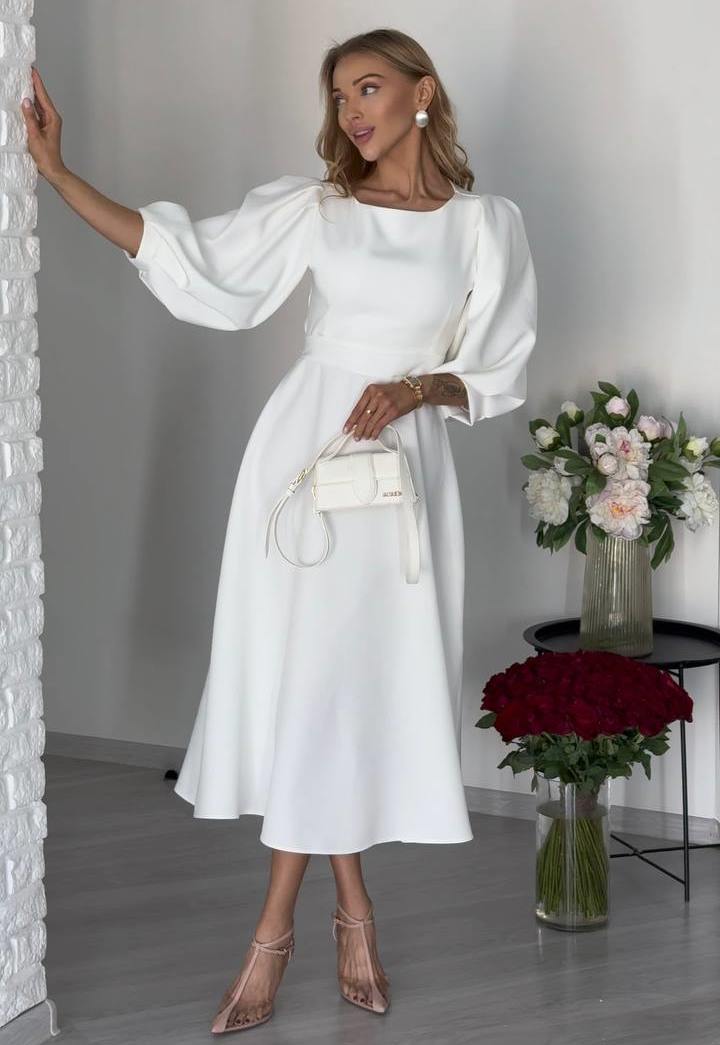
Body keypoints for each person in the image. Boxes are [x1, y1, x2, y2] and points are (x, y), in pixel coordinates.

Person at [24, 26, 537, 1035]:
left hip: (400, 475)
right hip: (304, 460)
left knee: (345, 688)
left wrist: (418, 387)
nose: (352, 110)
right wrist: (60, 175)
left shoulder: (486, 224)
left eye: (370, 87)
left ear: (423, 93)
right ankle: (302, 926)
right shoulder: (319, 209)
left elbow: (502, 364)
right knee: (313, 683)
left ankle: (325, 920)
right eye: (340, 95)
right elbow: (190, 259)